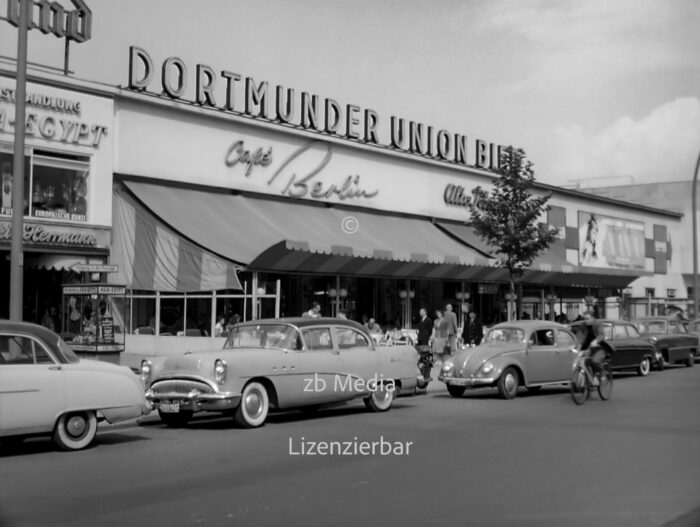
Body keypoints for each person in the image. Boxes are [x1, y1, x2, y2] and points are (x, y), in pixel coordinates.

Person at [578, 310, 607, 382]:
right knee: (581, 361)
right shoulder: (583, 325)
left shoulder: (598, 324)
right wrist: (577, 344)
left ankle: (602, 373)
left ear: (592, 318)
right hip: (588, 347)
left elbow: (601, 334)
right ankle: (588, 382)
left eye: (587, 319)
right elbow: (579, 336)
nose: (586, 321)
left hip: (599, 347)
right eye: (584, 319)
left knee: (595, 361)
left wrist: (596, 341)